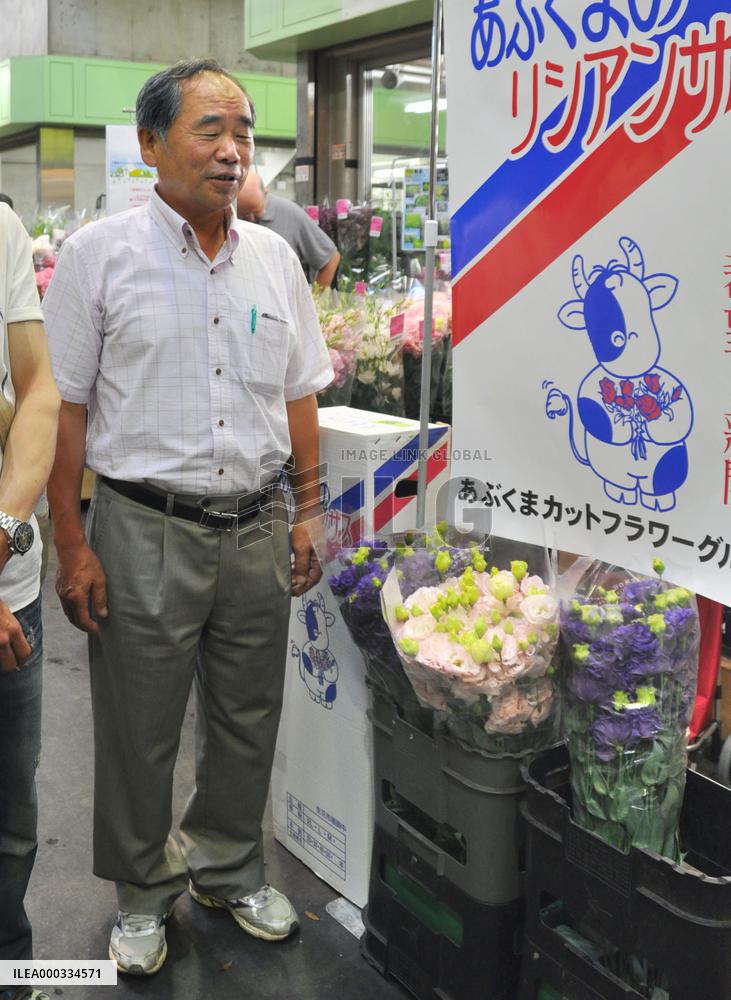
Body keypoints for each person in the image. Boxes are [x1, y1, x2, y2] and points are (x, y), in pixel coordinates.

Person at [42, 58, 333, 977]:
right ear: (151, 143)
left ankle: (226, 865)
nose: (230, 149)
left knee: (249, 715)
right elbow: (65, 407)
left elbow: (299, 396)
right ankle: (140, 892)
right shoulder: (100, 255)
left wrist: (307, 509)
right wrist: (72, 541)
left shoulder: (275, 258)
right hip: (142, 527)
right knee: (138, 725)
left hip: (255, 524)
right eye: (209, 128)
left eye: (242, 132)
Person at [0, 205, 61, 1000]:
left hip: (15, 591)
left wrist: (6, 525)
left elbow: (37, 387)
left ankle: (13, 969)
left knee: (13, 808)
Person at [237, 171, 340, 288]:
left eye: (255, 211)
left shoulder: (290, 214)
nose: (251, 218)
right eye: (244, 215)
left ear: (266, 192)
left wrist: (314, 301)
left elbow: (331, 258)